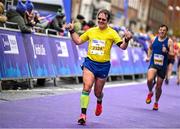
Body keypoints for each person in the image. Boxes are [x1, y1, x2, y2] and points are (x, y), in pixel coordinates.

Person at [65, 9, 132, 125]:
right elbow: (78, 40)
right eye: (99, 19)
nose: (101, 21)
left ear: (108, 21)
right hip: (90, 63)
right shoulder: (91, 31)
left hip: (103, 66)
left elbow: (122, 47)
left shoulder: (112, 33)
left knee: (97, 92)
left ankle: (99, 100)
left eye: (103, 20)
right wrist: (71, 31)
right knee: (87, 87)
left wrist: (126, 39)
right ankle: (83, 114)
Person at [145, 24, 174, 110]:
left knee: (158, 86)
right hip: (153, 63)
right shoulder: (154, 39)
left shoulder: (169, 41)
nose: (161, 31)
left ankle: (156, 102)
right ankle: (150, 92)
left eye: (163, 30)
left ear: (166, 32)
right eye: (160, 29)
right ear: (158, 30)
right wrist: (148, 56)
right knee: (149, 79)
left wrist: (167, 51)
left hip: (162, 66)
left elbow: (172, 55)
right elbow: (150, 48)